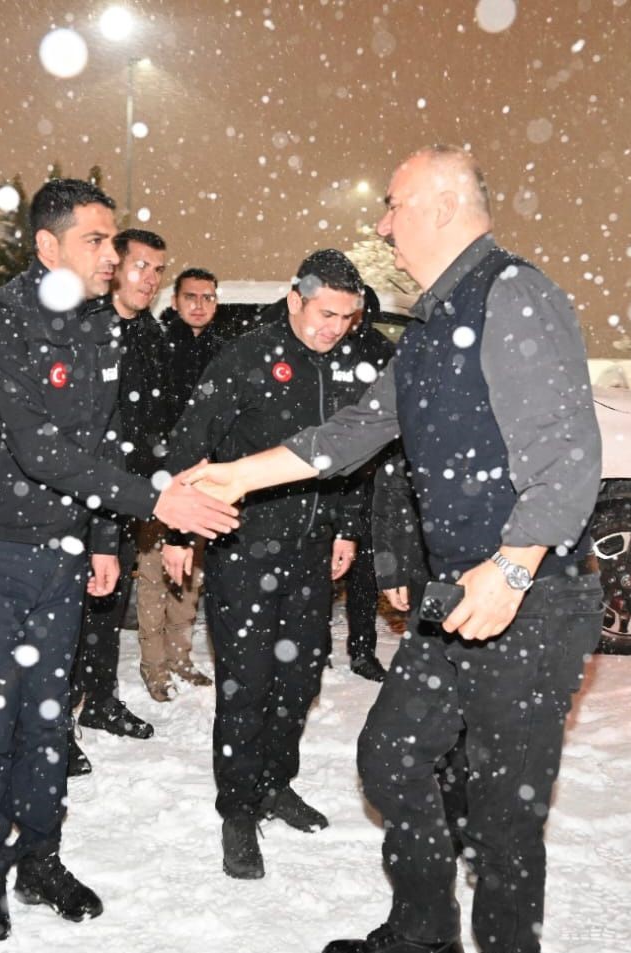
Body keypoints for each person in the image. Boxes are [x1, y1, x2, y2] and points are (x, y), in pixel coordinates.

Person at [187, 146, 603, 953]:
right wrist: (240, 474)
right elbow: (353, 431)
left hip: (531, 596)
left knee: (503, 817)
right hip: (457, 594)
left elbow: (568, 455)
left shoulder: (512, 294)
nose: (381, 223)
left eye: (393, 203)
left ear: (444, 205)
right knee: (392, 758)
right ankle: (422, 929)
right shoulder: (430, 324)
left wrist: (514, 565)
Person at [0, 178, 238, 943]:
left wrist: (102, 539)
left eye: (113, 240)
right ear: (48, 246)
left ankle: (41, 857)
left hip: (61, 551)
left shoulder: (101, 329)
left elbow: (98, 442)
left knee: (46, 720)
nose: (112, 255)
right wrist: (155, 503)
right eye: (95, 241)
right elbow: (38, 447)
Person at [161, 249, 371, 880]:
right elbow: (189, 441)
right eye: (325, 312)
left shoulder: (347, 369)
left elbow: (354, 458)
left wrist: (347, 530)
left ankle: (278, 784)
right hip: (243, 551)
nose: (334, 327)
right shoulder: (246, 357)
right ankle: (237, 810)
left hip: (312, 552)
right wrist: (176, 528)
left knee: (300, 681)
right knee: (245, 686)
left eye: (347, 317)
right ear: (294, 300)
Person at [69, 228, 169, 760]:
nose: (149, 279)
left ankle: (101, 698)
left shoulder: (152, 336)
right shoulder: (85, 329)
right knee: (71, 611)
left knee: (108, 604)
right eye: (140, 266)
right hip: (78, 497)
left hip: (128, 498)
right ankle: (57, 721)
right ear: (115, 267)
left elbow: (156, 422)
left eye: (158, 270)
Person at [134, 267, 222, 701]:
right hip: (162, 481)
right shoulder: (156, 346)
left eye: (208, 297)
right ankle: (154, 666)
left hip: (206, 479)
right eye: (191, 296)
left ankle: (180, 654)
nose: (200, 305)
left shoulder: (223, 351)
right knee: (153, 575)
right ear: (175, 300)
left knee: (191, 574)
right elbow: (145, 417)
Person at [337, 287, 398, 682]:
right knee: (317, 565)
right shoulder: (321, 342)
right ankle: (312, 649)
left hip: (371, 474)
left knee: (364, 570)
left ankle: (362, 650)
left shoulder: (380, 350)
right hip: (323, 473)